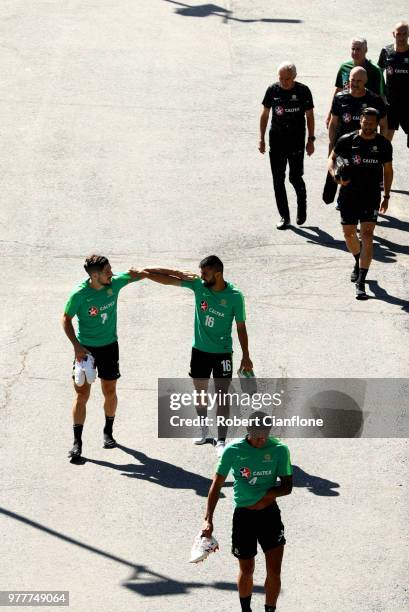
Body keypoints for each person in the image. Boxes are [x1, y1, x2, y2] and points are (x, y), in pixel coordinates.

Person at [142, 255, 253, 456]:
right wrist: (145, 273)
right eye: (201, 273)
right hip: (199, 351)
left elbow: (241, 327)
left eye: (205, 273)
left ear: (218, 274)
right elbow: (166, 279)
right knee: (200, 393)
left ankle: (220, 440)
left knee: (222, 398)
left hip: (222, 353)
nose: (202, 277)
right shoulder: (199, 285)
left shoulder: (235, 296)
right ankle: (203, 429)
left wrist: (246, 356)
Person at [201, 412, 293, 612]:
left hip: (270, 515)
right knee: (247, 569)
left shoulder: (279, 450)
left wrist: (266, 497)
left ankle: (270, 610)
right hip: (244, 517)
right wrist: (208, 520)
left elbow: (287, 487)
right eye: (257, 435)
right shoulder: (233, 451)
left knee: (274, 570)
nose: (262, 440)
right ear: (248, 431)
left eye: (265, 435)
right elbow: (216, 486)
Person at [62, 255, 144, 461]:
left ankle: (108, 432)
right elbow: (66, 319)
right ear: (95, 275)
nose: (112, 272)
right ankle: (77, 443)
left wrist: (176, 274)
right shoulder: (79, 294)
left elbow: (142, 273)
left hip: (109, 347)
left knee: (110, 391)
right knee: (82, 394)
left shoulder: (113, 284)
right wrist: (77, 347)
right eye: (107, 270)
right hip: (86, 351)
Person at [328, 108, 393, 300]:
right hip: (348, 195)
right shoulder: (347, 140)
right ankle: (358, 260)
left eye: (372, 124)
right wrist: (336, 177)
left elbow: (388, 171)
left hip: (371, 195)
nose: (368, 127)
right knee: (349, 235)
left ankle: (361, 281)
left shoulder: (383, 144)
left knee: (367, 234)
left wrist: (386, 196)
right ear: (361, 122)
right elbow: (332, 160)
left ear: (377, 125)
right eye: (365, 123)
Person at [259, 61, 315, 229]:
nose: (284, 82)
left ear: (295, 77)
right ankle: (285, 216)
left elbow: (310, 116)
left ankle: (302, 205)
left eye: (288, 79)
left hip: (296, 140)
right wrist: (261, 138)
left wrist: (310, 140)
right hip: (277, 141)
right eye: (281, 78)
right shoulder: (272, 90)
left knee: (295, 177)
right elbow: (265, 114)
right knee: (278, 179)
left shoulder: (303, 91)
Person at [323, 66, 387, 204]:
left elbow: (383, 124)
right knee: (338, 177)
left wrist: (382, 144)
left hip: (367, 146)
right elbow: (334, 124)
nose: (355, 83)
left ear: (365, 81)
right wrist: (332, 144)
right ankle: (342, 200)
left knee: (363, 179)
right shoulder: (340, 98)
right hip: (344, 145)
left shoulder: (374, 100)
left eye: (359, 81)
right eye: (352, 80)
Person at [325, 37, 385, 128]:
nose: (355, 52)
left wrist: (381, 121)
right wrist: (330, 114)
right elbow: (338, 90)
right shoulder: (344, 67)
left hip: (366, 120)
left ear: (366, 50)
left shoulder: (375, 70)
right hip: (346, 115)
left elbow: (380, 96)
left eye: (358, 49)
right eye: (353, 49)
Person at [378, 21, 409, 146]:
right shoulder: (386, 51)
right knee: (384, 139)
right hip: (391, 104)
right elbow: (379, 72)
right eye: (398, 34)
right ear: (393, 35)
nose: (401, 37)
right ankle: (381, 164)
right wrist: (381, 93)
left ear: (408, 34)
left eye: (404, 34)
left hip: (408, 104)